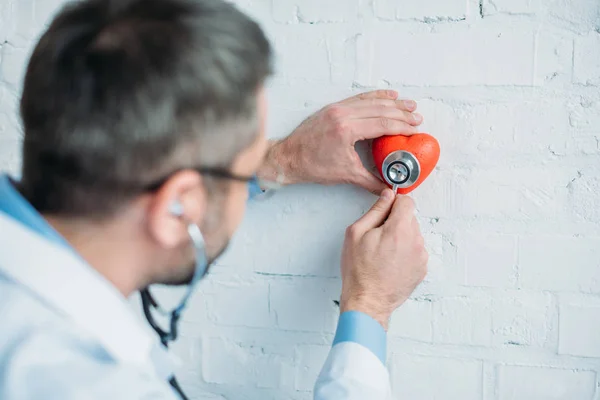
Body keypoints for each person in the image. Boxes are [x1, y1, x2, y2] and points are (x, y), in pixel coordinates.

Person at [0, 0, 429, 399]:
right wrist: (369, 305)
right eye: (243, 167)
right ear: (177, 207)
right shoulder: (91, 384)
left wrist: (282, 159)